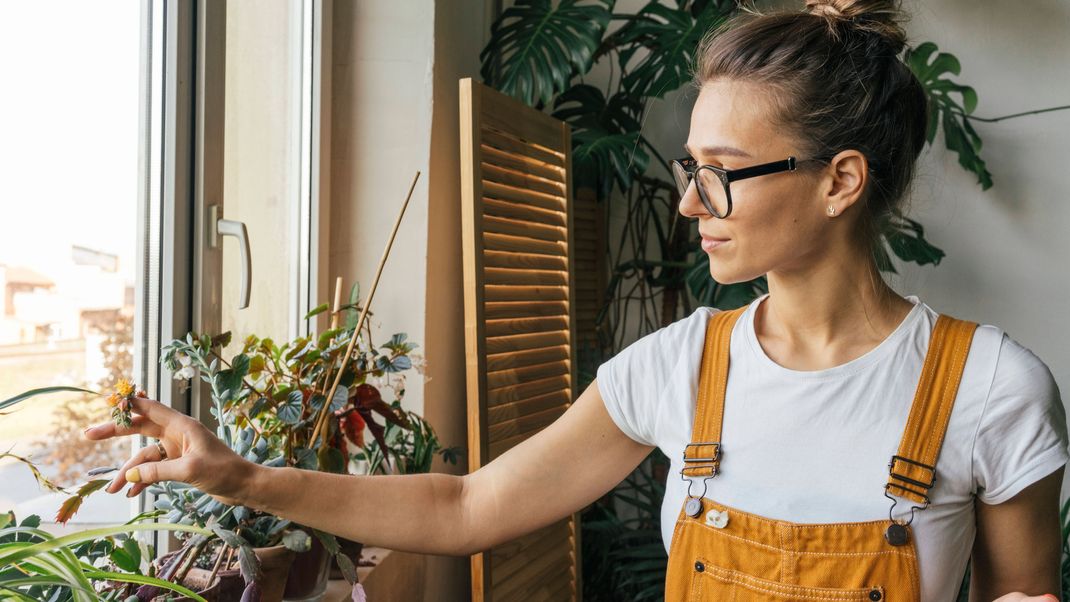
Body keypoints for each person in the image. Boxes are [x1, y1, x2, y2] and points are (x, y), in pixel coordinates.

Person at [83, 0, 1067, 599]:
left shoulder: (989, 389)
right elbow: (468, 502)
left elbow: (1021, 592)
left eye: (721, 171)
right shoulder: (678, 365)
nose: (688, 201)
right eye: (690, 166)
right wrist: (247, 479)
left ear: (839, 180)